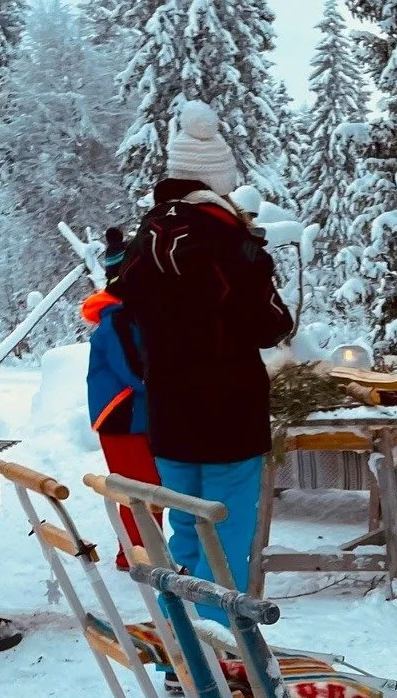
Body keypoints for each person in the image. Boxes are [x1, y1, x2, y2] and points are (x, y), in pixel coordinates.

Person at [116, 101, 292, 615]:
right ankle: (220, 648)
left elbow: (122, 314)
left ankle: (183, 643)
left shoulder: (145, 238)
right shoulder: (229, 239)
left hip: (169, 407)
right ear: (218, 179)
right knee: (226, 534)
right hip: (228, 412)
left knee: (185, 531)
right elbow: (271, 324)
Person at [83, 228, 158, 570]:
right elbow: (134, 371)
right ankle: (137, 555)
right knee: (139, 488)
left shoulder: (128, 315)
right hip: (123, 415)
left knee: (147, 486)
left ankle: (142, 551)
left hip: (134, 413)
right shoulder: (118, 320)